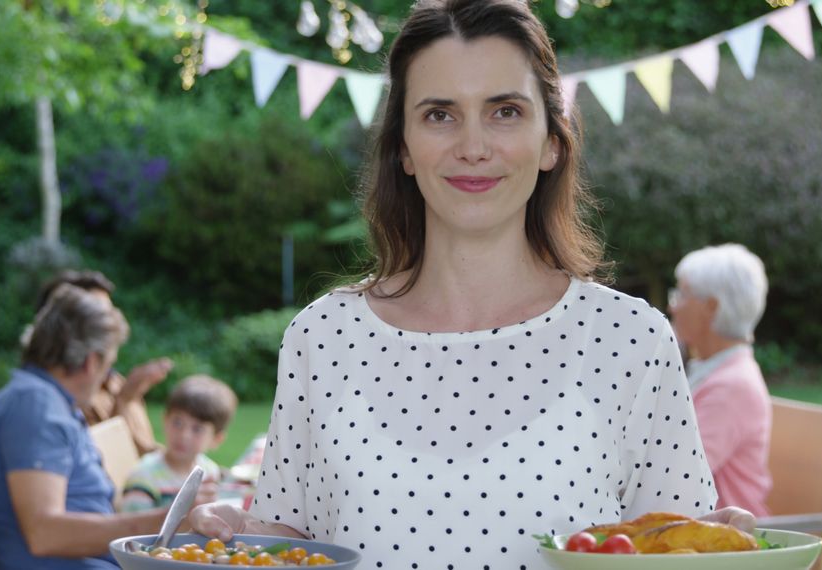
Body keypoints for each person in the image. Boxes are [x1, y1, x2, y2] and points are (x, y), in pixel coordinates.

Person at [190, 1, 752, 567]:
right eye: (440, 114)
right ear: (404, 148)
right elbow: (288, 537)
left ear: (552, 141)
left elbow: (676, 547)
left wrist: (723, 549)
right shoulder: (322, 337)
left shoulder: (633, 339)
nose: (474, 146)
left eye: (505, 111)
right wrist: (238, 538)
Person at [0, 284, 169, 569]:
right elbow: (44, 533)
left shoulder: (48, 402)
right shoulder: (34, 407)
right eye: (109, 364)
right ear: (90, 362)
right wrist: (166, 522)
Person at [668, 243, 772, 517]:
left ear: (710, 307)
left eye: (682, 294)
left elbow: (677, 477)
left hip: (726, 546)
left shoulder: (731, 387)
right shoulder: (717, 371)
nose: (672, 306)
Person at [31, 269, 173, 456]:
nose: (112, 321)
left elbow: (146, 455)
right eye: (99, 314)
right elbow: (103, 463)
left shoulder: (117, 382)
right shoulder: (56, 400)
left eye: (110, 311)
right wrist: (123, 400)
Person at [120, 375, 237, 512]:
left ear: (216, 439)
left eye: (197, 429)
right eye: (178, 423)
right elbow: (134, 527)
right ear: (165, 421)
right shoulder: (143, 478)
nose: (184, 435)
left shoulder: (209, 471)